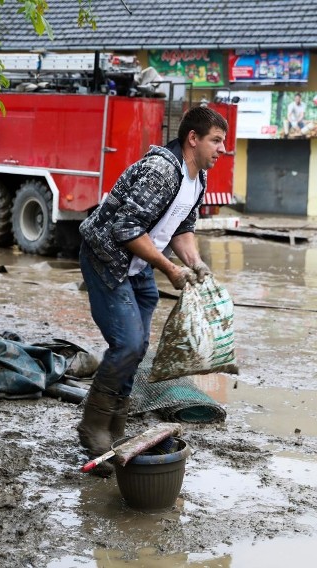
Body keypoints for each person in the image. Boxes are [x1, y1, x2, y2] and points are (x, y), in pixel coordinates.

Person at [77, 106, 228, 476]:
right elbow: (125, 229)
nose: (222, 149)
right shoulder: (161, 172)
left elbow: (181, 228)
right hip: (107, 259)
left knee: (139, 345)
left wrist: (196, 264)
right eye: (216, 141)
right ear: (193, 138)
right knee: (127, 343)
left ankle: (115, 422)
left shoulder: (198, 178)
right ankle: (93, 425)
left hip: (140, 265)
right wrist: (172, 269)